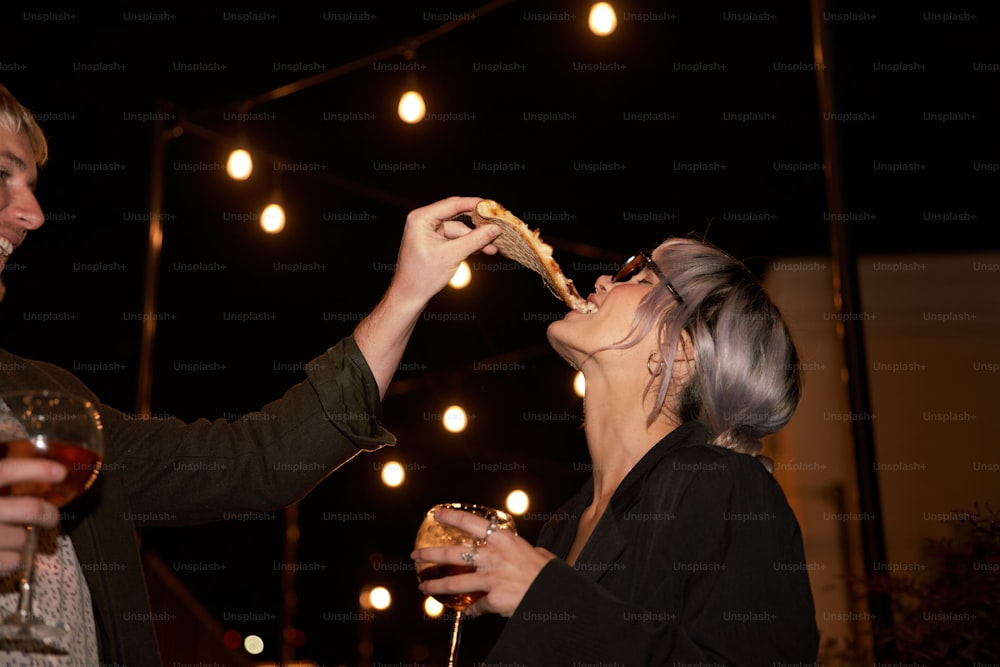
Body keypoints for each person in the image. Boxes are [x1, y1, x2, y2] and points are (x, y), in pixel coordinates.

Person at [0, 82, 502, 665]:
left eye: (31, 185)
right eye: (3, 175)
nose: (34, 214)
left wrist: (408, 293)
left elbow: (252, 464)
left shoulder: (52, 405)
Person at [412, 240, 820, 664]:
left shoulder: (726, 487)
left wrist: (547, 598)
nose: (604, 280)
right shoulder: (564, 525)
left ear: (679, 351)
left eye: (642, 277)